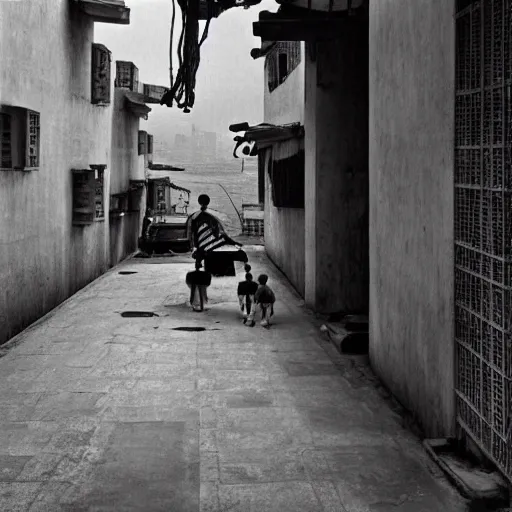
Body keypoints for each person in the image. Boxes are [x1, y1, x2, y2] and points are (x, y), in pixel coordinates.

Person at [186, 194, 247, 276]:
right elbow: (220, 233)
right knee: (234, 249)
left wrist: (195, 247)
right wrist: (233, 243)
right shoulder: (214, 216)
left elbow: (193, 234)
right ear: (208, 202)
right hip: (213, 245)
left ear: (199, 202)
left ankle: (200, 265)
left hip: (202, 247)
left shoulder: (194, 217)